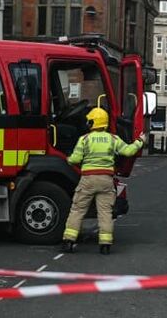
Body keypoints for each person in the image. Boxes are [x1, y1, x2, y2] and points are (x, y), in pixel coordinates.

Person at [62, 107, 146, 255]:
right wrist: (140, 141)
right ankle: (105, 244)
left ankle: (69, 241)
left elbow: (75, 159)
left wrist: (68, 159)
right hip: (106, 180)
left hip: (88, 180)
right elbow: (128, 151)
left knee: (77, 210)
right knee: (105, 213)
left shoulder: (85, 139)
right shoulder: (113, 139)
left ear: (93, 122)